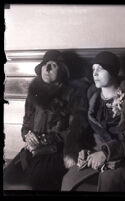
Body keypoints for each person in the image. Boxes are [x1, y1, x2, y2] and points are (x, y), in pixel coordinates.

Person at [3, 50, 90, 191]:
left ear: (62, 70)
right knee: (8, 177)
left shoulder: (73, 95)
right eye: (44, 65)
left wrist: (44, 139)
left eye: (53, 65)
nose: (47, 68)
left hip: (57, 152)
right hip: (33, 150)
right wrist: (27, 135)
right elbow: (26, 122)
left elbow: (75, 132)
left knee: (34, 182)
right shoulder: (34, 92)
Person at [61, 51, 125, 192]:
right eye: (93, 69)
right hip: (95, 152)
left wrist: (106, 153)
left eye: (100, 68)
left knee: (109, 184)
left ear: (112, 71)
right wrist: (83, 151)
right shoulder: (91, 97)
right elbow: (85, 132)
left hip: (123, 157)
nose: (95, 73)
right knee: (68, 180)